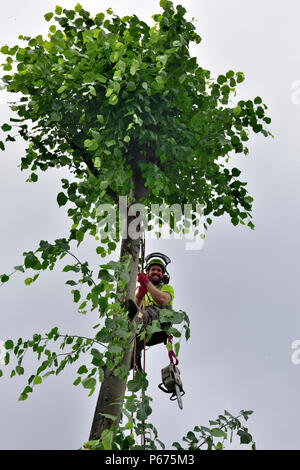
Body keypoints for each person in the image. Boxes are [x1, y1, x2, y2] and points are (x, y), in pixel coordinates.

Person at [128, 257, 175, 370]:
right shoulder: (143, 290)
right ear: (147, 273)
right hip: (146, 331)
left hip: (161, 326)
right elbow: (135, 309)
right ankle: (131, 361)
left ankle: (140, 320)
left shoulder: (166, 288)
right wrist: (140, 295)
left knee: (149, 311)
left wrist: (146, 282)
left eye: (159, 270)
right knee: (134, 318)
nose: (156, 272)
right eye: (153, 269)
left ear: (163, 275)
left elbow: (162, 299)